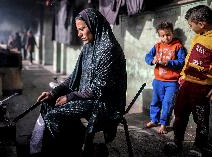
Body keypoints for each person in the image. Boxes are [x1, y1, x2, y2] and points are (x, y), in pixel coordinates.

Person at [29, 8, 127, 156]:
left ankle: (78, 149)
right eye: (78, 30)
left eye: (82, 29)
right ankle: (82, 144)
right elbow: (74, 77)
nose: (79, 34)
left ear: (93, 25)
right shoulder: (88, 47)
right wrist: (53, 92)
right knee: (48, 104)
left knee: (54, 116)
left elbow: (99, 89)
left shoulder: (109, 49)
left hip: (105, 103)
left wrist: (70, 97)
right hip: (89, 97)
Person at [164, 5, 212, 155]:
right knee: (180, 114)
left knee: (201, 120)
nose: (190, 28)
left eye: (191, 25)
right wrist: (183, 76)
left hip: (202, 89)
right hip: (186, 85)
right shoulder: (198, 36)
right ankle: (177, 142)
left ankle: (200, 148)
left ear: (201, 23)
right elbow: (188, 59)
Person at [145, 21, 186, 134]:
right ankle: (154, 120)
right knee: (155, 101)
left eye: (168, 34)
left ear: (172, 33)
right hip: (158, 81)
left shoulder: (178, 46)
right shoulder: (157, 46)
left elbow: (182, 62)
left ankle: (163, 124)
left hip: (172, 82)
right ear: (159, 36)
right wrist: (152, 60)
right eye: (162, 35)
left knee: (167, 104)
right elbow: (147, 56)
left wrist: (169, 63)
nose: (166, 38)